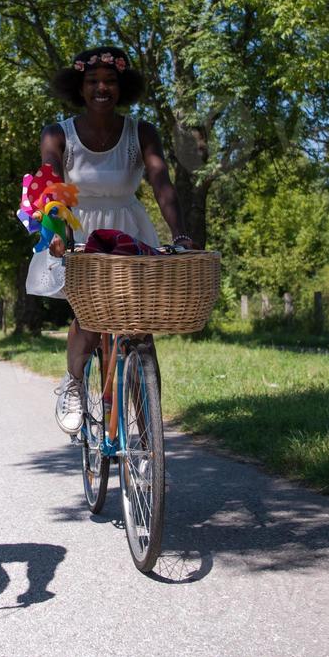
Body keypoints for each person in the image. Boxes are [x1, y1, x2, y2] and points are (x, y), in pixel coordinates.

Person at [38, 47, 195, 436]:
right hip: (78, 228)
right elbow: (52, 187)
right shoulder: (58, 134)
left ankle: (148, 434)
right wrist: (60, 236)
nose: (102, 88)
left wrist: (181, 235)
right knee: (89, 319)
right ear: (81, 87)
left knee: (141, 327)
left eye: (110, 81)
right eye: (93, 81)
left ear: (122, 87)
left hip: (129, 230)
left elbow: (162, 184)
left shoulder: (141, 131)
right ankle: (74, 384)